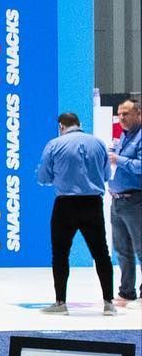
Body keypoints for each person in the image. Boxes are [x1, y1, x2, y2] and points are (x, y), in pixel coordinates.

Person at [36, 112, 115, 314]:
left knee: (60, 254)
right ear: (79, 124)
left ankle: (60, 302)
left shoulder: (54, 144)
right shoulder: (98, 143)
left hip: (66, 204)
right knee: (101, 254)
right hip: (93, 204)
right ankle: (108, 303)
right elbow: (106, 175)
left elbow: (43, 177)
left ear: (61, 126)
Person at [108, 95, 141, 306]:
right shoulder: (123, 136)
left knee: (140, 248)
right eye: (119, 114)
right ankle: (127, 291)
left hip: (135, 200)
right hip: (118, 201)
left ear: (139, 114)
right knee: (122, 250)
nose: (121, 117)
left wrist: (118, 159)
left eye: (126, 113)